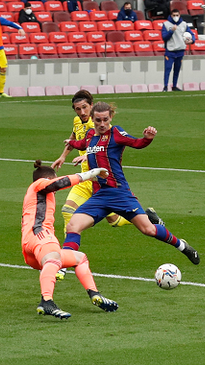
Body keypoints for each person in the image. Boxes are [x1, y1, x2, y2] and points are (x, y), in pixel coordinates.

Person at [61, 102, 200, 267]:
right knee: (72, 226)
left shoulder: (116, 133)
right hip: (99, 196)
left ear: (111, 117)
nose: (102, 124)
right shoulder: (91, 134)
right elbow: (82, 143)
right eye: (98, 120)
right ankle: (63, 265)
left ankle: (183, 246)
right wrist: (71, 143)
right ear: (93, 119)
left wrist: (147, 139)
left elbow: (136, 143)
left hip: (119, 193)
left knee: (148, 229)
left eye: (105, 119)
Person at [51, 90, 164, 278]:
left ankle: (146, 219)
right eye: (78, 109)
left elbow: (102, 147)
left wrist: (87, 154)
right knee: (67, 212)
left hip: (103, 182)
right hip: (85, 178)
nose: (81, 112)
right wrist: (63, 155)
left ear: (93, 106)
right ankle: (65, 261)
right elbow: (76, 138)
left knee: (113, 221)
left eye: (85, 108)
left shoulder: (100, 123)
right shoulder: (79, 122)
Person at [22, 160, 119, 319]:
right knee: (53, 257)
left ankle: (95, 295)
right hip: (39, 235)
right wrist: (88, 175)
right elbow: (59, 183)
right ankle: (46, 301)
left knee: (80, 258)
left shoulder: (35, 195)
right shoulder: (40, 184)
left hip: (32, 245)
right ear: (49, 178)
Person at [161, 8, 195, 91]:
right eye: (174, 15)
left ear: (179, 15)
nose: (175, 17)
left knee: (177, 70)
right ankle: (165, 86)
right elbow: (164, 37)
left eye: (177, 15)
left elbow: (191, 34)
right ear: (171, 15)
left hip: (180, 50)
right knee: (167, 69)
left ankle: (174, 86)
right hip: (170, 51)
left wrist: (192, 40)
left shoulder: (183, 24)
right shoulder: (166, 24)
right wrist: (171, 31)